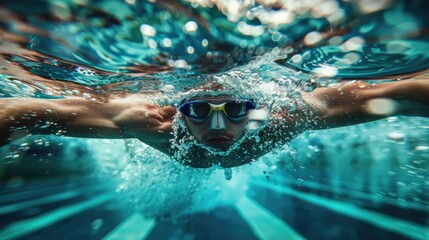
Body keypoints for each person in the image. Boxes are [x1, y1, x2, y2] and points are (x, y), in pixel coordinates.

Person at [0, 76, 428, 168]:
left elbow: (396, 93)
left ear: (254, 111)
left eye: (236, 110)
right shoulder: (146, 121)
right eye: (200, 111)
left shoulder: (285, 118)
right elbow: (24, 111)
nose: (216, 125)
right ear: (178, 111)